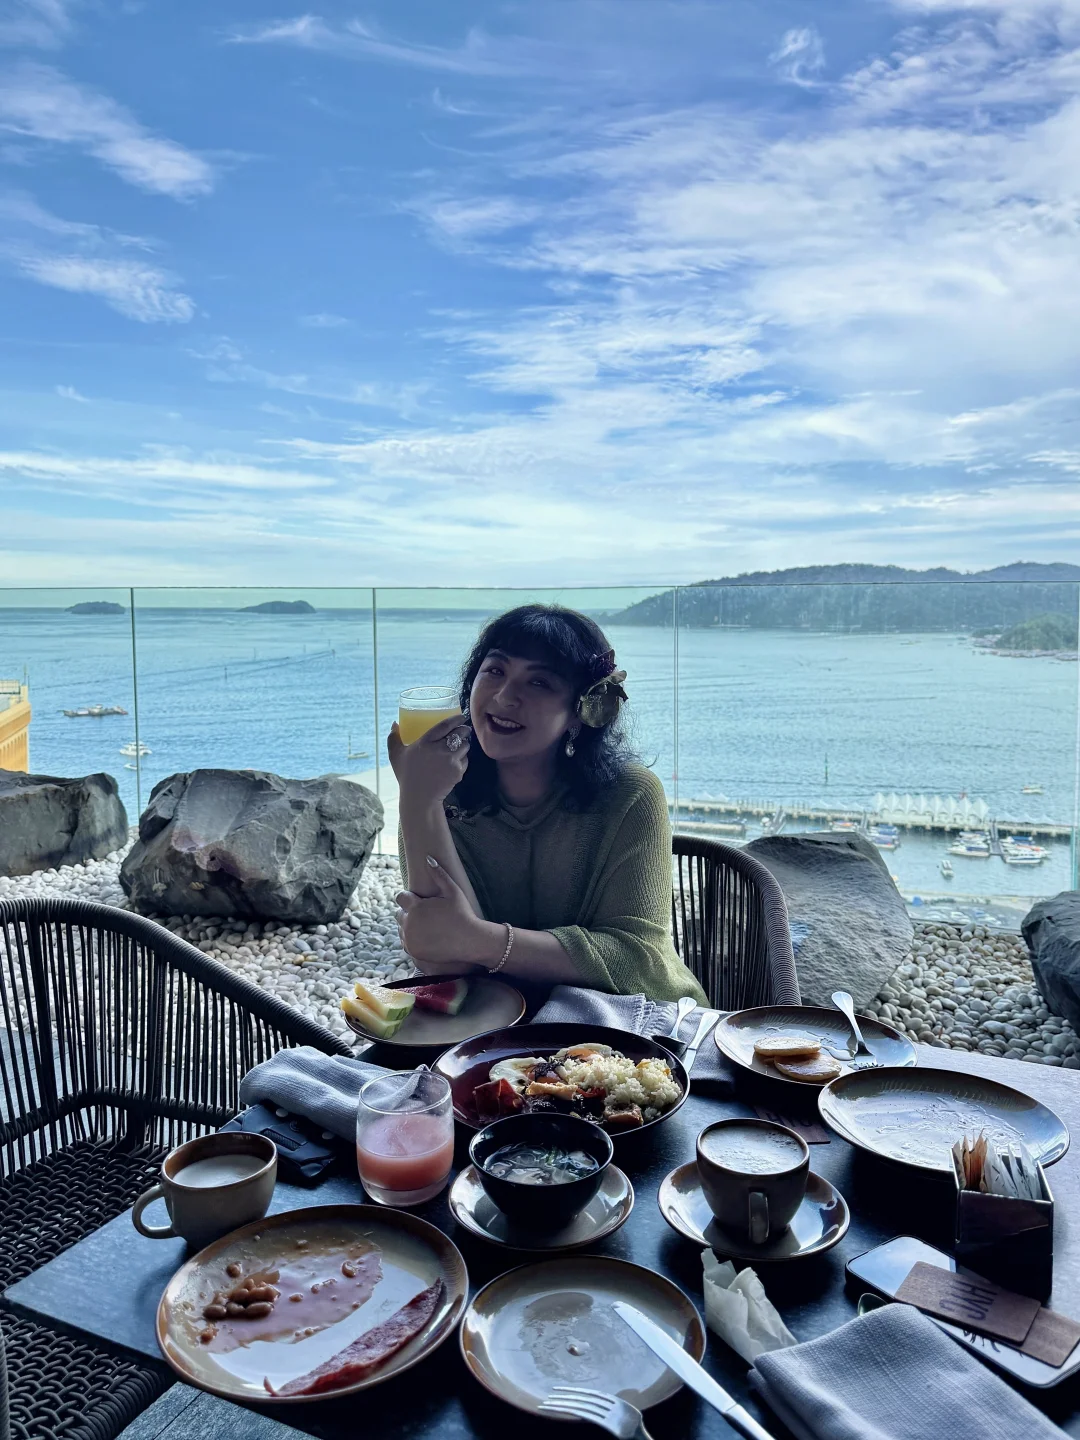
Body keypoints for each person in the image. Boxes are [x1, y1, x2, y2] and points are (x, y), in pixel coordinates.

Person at [390, 603, 707, 1003]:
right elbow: (443, 958)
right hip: (498, 1025)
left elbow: (638, 961)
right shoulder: (437, 790)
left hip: (632, 1025)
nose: (505, 696)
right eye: (495, 671)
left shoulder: (631, 795)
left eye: (539, 682)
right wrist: (418, 799)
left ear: (582, 711)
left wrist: (481, 940)